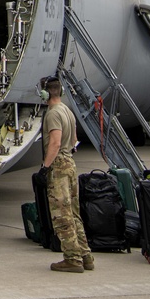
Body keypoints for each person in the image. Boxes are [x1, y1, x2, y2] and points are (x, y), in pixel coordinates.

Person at [39, 75, 94, 273]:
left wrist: (45, 167)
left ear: (44, 93)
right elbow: (75, 140)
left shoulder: (53, 113)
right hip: (70, 162)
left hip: (59, 166)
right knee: (74, 213)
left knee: (61, 214)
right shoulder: (67, 111)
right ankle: (85, 255)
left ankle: (72, 259)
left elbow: (55, 141)